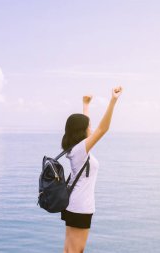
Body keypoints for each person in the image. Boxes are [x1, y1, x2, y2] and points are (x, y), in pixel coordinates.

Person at [61, 86, 123, 253]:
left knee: (69, 249)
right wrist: (113, 101)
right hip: (80, 207)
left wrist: (86, 105)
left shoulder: (77, 149)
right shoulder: (80, 150)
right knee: (75, 251)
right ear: (82, 130)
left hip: (74, 205)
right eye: (89, 126)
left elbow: (87, 128)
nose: (92, 128)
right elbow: (103, 129)